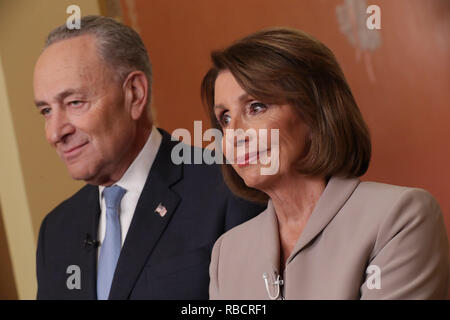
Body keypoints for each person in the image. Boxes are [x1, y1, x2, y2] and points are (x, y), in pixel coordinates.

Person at [201, 27, 449, 299]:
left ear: (314, 112)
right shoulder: (227, 253)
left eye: (256, 107)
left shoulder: (400, 218)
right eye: (224, 118)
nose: (234, 134)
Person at [34, 16, 264, 300]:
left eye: (74, 103)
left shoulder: (229, 187)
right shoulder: (55, 231)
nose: (55, 132)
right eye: (46, 111)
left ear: (134, 94)